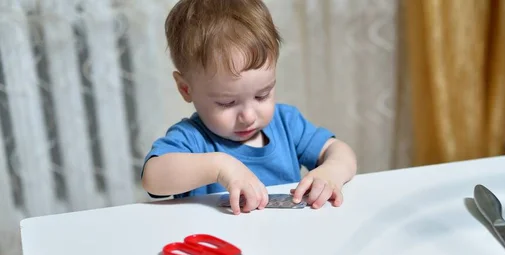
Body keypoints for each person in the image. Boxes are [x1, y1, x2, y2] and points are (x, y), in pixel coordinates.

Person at [141, 0, 357, 215]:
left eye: (262, 95)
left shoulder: (286, 123)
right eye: (227, 103)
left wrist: (332, 172)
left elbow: (339, 151)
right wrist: (219, 166)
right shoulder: (192, 138)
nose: (248, 116)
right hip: (220, 244)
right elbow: (152, 178)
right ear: (186, 89)